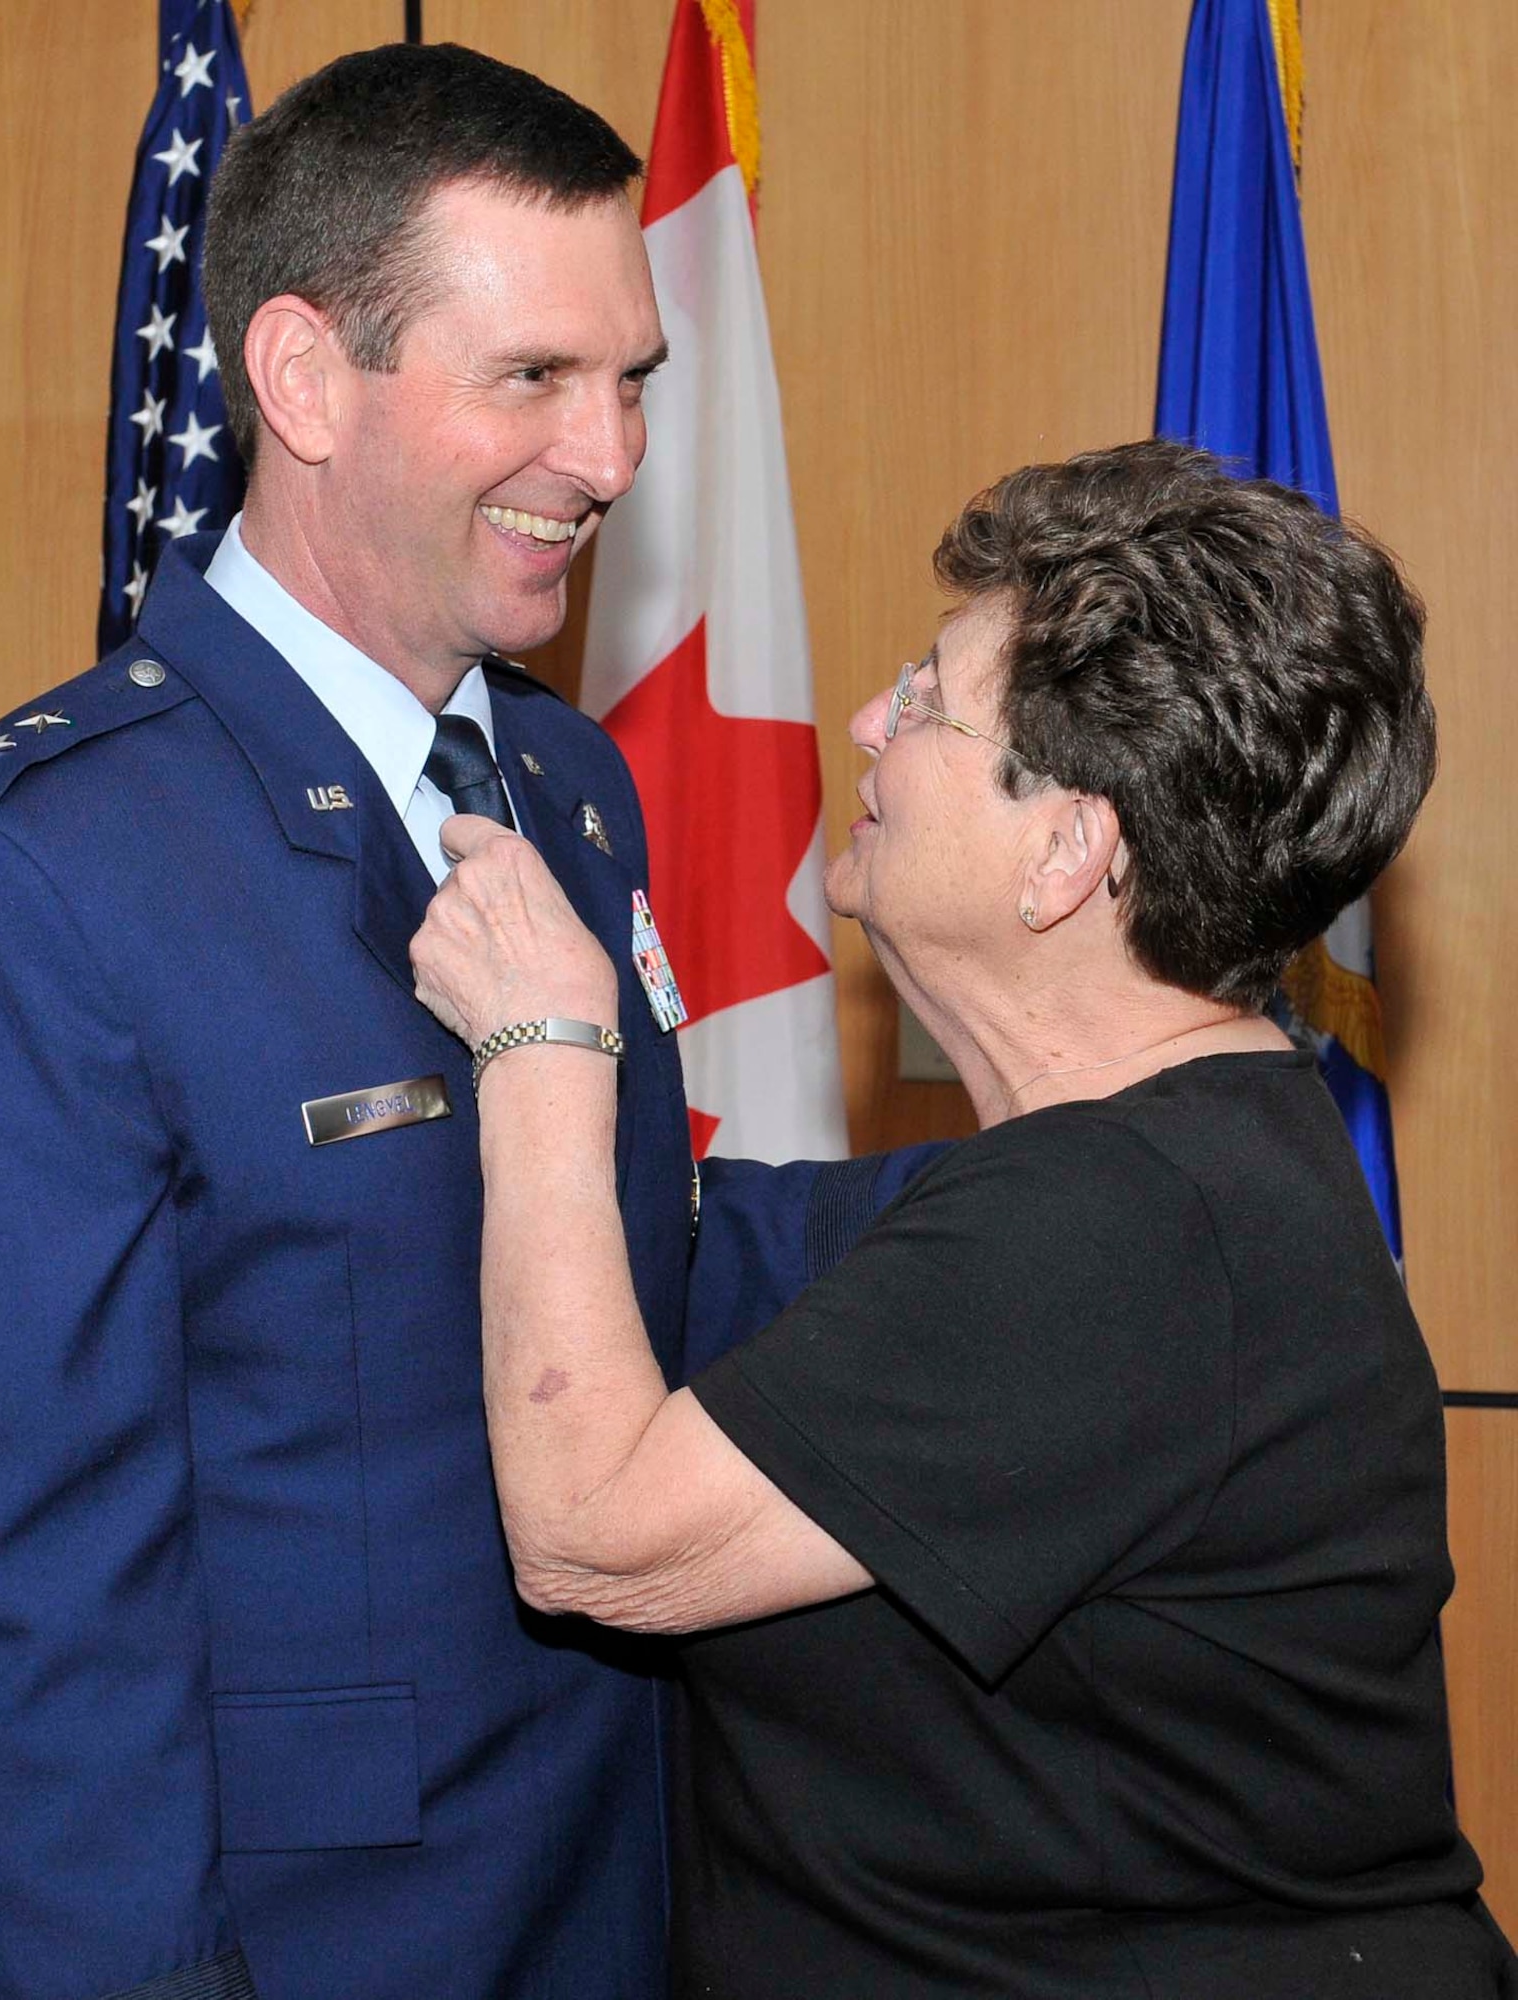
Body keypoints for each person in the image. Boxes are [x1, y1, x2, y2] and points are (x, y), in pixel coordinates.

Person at [0, 43, 926, 2000]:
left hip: (624, 1896)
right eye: (532, 380)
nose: (608, 458)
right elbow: (32, 1630)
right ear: (304, 379)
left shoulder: (569, 787)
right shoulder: (31, 875)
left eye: (631, 384)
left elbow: (638, 1259)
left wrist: (1110, 1185)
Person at [411, 438, 1518, 1999]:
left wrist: (539, 1043)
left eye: (927, 699)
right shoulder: (1159, 1170)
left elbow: (597, 1541)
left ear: (1066, 852)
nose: (869, 723)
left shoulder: (1129, 1226)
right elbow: (702, 1238)